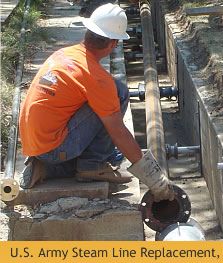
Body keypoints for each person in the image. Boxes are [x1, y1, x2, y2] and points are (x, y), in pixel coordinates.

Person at [19, 3, 174, 202]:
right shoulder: (97, 79)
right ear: (113, 44)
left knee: (115, 155)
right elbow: (118, 131)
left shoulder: (63, 54)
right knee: (117, 93)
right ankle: (91, 167)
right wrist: (155, 180)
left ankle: (47, 167)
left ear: (88, 31)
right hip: (54, 148)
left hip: (36, 142)